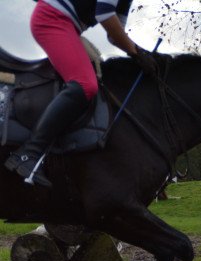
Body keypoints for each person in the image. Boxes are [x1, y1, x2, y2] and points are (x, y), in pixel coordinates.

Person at [4, 0, 158, 188]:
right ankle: (29, 153)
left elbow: (114, 35)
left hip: (66, 25)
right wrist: (136, 52)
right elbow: (104, 14)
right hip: (52, 18)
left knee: (94, 69)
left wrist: (140, 52)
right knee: (85, 84)